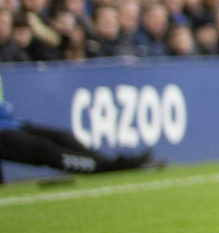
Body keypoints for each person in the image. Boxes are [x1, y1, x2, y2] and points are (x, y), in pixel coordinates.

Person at [0, 77, 161, 180]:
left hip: (11, 124)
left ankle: (109, 164)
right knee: (44, 149)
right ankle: (112, 167)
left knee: (63, 137)